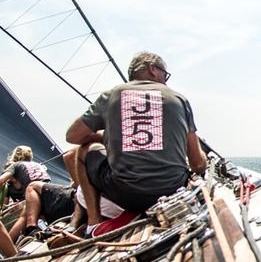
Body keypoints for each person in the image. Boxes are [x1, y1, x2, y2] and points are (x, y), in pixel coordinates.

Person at [65, 51, 208, 228]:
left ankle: (93, 223)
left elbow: (73, 136)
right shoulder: (179, 99)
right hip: (172, 190)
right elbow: (197, 164)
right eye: (165, 74)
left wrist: (102, 135)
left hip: (126, 195)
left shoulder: (111, 95)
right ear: (153, 69)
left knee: (84, 150)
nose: (165, 79)